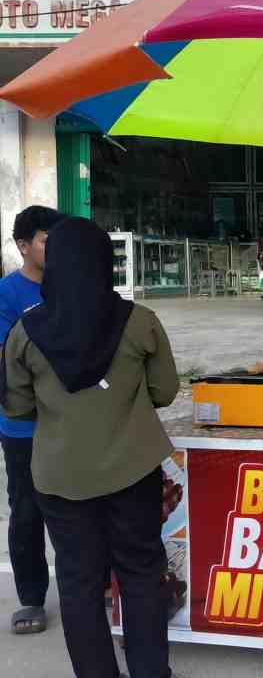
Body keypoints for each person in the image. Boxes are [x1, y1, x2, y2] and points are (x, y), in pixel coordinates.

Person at [3, 218, 178, 678]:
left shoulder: (26, 333)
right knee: (140, 573)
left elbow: (17, 408)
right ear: (107, 264)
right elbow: (165, 391)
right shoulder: (139, 321)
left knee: (79, 583)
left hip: (61, 479)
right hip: (133, 471)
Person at [0, 205, 65, 635]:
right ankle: (31, 598)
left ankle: (90, 586)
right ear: (23, 246)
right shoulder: (7, 293)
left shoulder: (72, 287)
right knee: (27, 511)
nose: (53, 247)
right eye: (45, 238)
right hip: (22, 426)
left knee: (78, 508)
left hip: (70, 423)